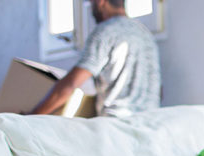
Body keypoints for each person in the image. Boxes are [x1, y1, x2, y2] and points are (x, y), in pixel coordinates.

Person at [31, 0, 160, 117]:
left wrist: (32, 117)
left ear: (100, 2)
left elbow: (71, 83)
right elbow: (159, 90)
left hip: (119, 126)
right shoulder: (144, 33)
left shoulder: (106, 31)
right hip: (149, 125)